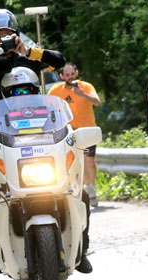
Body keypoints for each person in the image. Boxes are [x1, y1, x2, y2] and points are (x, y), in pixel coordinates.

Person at [0, 8, 66, 272]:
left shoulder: (30, 57)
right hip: (3, 138)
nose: (4, 41)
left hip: (42, 134)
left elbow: (60, 61)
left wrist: (28, 51)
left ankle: (81, 240)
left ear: (17, 35)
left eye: (9, 35)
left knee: (71, 176)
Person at [48, 62, 101, 207]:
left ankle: (91, 186)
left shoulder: (86, 86)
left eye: (72, 74)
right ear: (61, 76)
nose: (70, 77)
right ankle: (82, 188)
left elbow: (97, 102)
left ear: (76, 73)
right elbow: (47, 107)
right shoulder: (55, 90)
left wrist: (83, 95)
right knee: (75, 160)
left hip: (87, 130)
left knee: (89, 161)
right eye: (67, 75)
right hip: (68, 132)